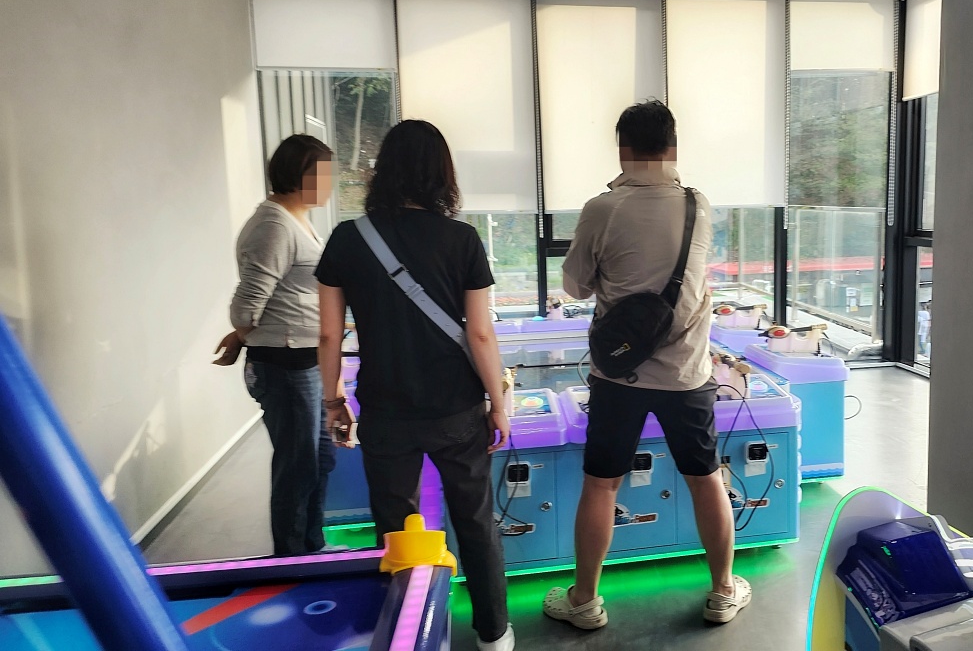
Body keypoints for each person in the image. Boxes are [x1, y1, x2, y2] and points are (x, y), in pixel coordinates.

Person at [542, 100, 751, 629]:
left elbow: (575, 286)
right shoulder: (699, 205)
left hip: (619, 374)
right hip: (687, 374)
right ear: (672, 147)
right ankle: (723, 591)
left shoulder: (602, 208)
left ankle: (585, 601)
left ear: (623, 150)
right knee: (705, 478)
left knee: (602, 484)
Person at [314, 120, 514, 651]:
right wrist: (497, 403)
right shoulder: (462, 239)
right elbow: (480, 333)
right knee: (475, 520)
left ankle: (404, 632)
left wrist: (333, 401)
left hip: (385, 410)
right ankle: (494, 634)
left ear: (383, 171)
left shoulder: (348, 238)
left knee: (398, 527)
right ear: (442, 174)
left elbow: (329, 333)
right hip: (457, 410)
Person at [213, 134, 337, 557]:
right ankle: (291, 557)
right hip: (286, 366)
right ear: (299, 175)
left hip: (306, 361)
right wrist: (241, 333)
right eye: (323, 174)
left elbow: (292, 294)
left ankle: (312, 546)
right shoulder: (275, 225)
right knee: (298, 467)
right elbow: (246, 306)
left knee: (320, 460)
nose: (330, 183)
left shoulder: (296, 220)